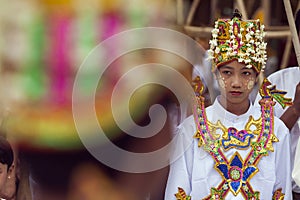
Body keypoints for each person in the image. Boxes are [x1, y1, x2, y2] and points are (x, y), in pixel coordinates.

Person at [164, 10, 292, 199]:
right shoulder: (190, 129)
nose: (236, 82)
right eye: (227, 72)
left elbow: (282, 194)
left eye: (246, 73)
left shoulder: (277, 131)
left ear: (257, 77)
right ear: (215, 74)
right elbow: (177, 193)